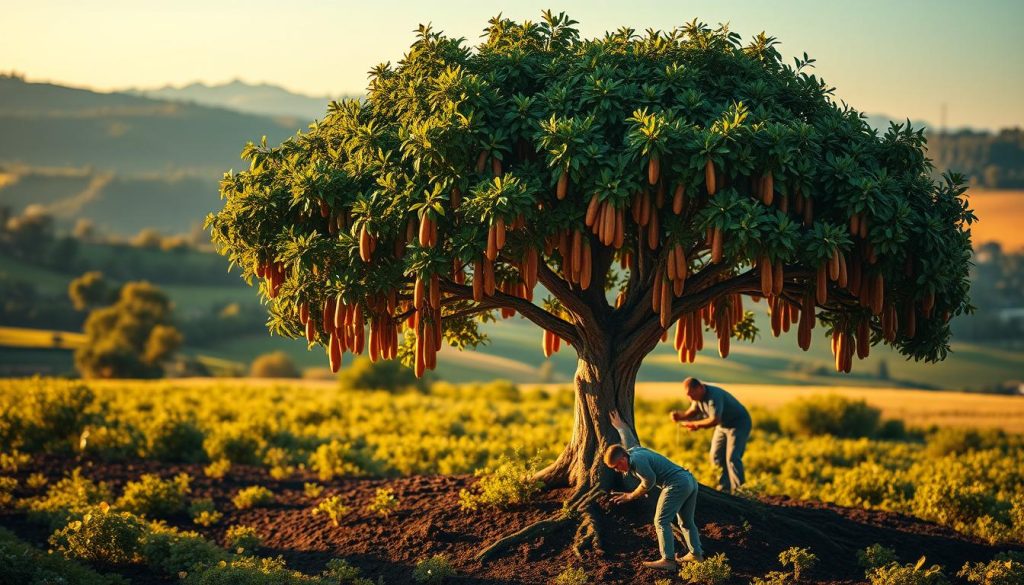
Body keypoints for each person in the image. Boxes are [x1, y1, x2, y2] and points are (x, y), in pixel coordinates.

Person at [604, 409, 704, 571]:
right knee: (685, 522)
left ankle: (668, 560)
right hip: (689, 480)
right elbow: (628, 439)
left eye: (617, 466)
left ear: (623, 458)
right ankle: (696, 555)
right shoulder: (632, 451)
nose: (617, 470)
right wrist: (620, 426)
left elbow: (649, 482)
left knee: (661, 521)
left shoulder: (638, 462)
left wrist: (630, 496)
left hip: (676, 484)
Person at [670, 377, 751, 493]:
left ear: (699, 388)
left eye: (691, 395)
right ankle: (725, 489)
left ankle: (741, 491)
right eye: (688, 395)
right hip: (723, 426)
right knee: (716, 456)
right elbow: (693, 412)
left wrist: (695, 425)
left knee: (733, 457)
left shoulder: (714, 396)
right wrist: (680, 416)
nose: (690, 398)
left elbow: (714, 420)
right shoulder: (697, 396)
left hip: (738, 424)